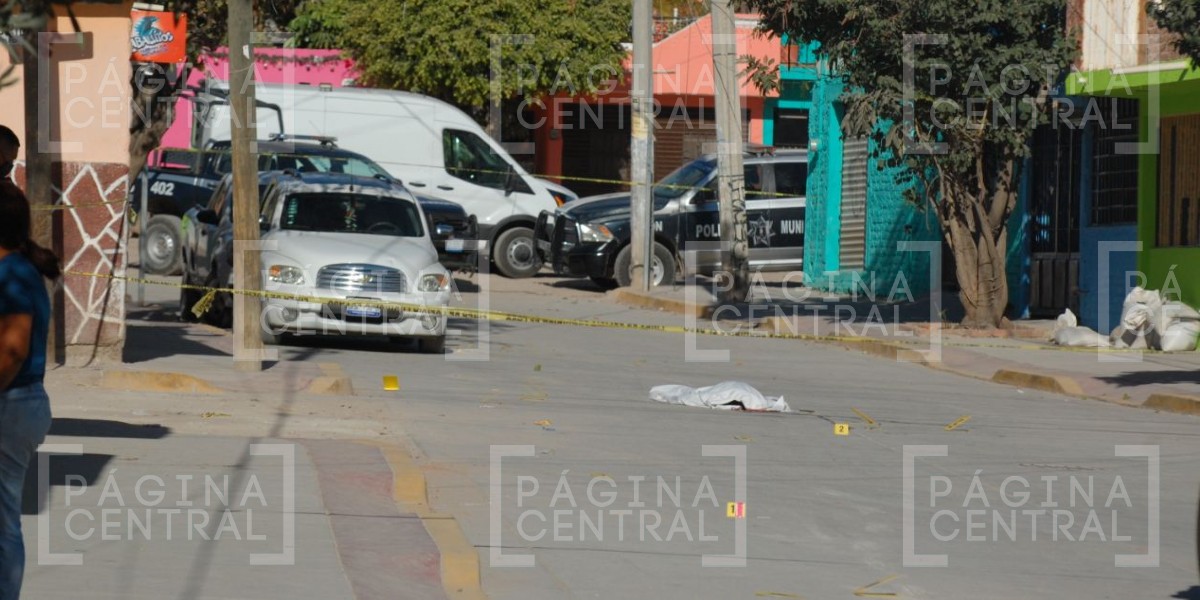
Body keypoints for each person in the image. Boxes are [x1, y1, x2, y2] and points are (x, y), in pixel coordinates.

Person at [0, 183, 58, 600]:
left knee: (3, 524)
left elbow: (14, 348)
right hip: (21, 402)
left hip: (11, 402)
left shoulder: (13, 272)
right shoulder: (19, 267)